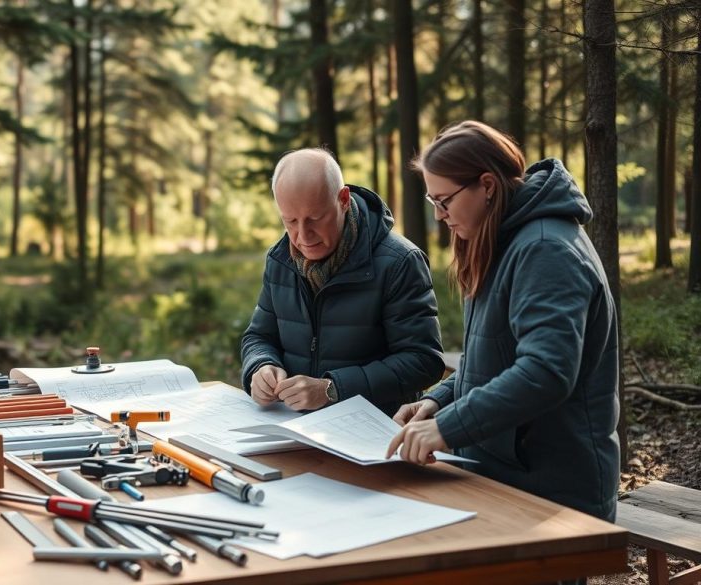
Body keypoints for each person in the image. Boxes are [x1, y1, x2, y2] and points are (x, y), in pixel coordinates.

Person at [386, 121, 620, 524]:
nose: (440, 216)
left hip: (552, 491)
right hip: (500, 474)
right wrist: (437, 401)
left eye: (445, 201)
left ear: (488, 186)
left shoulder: (546, 250)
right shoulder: (502, 238)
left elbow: (546, 371)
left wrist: (447, 426)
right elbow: (492, 358)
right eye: (432, 201)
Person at [241, 148, 445, 416]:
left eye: (315, 219)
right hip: (291, 428)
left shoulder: (400, 262)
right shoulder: (280, 260)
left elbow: (423, 362)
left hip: (373, 431)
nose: (303, 236)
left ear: (343, 199)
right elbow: (258, 336)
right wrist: (259, 366)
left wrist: (332, 389)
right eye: (290, 221)